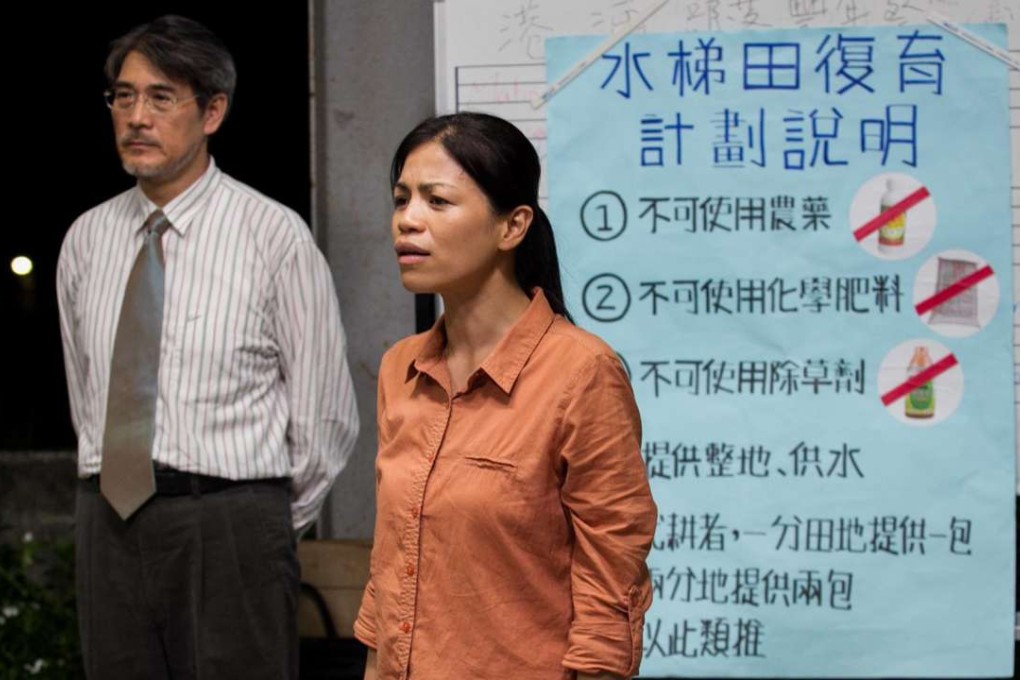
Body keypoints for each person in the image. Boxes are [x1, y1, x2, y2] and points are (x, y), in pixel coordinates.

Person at [56, 15, 359, 678]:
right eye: (124, 96)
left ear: (212, 111)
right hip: (108, 520)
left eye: (161, 98)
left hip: (231, 522)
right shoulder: (86, 239)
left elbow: (326, 417)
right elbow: (88, 396)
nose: (137, 117)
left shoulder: (272, 235)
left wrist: (256, 522)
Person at [354, 112, 657, 680]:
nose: (407, 220)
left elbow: (609, 594)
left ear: (512, 226)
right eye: (401, 200)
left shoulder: (581, 372)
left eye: (437, 201)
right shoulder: (401, 367)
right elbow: (389, 568)